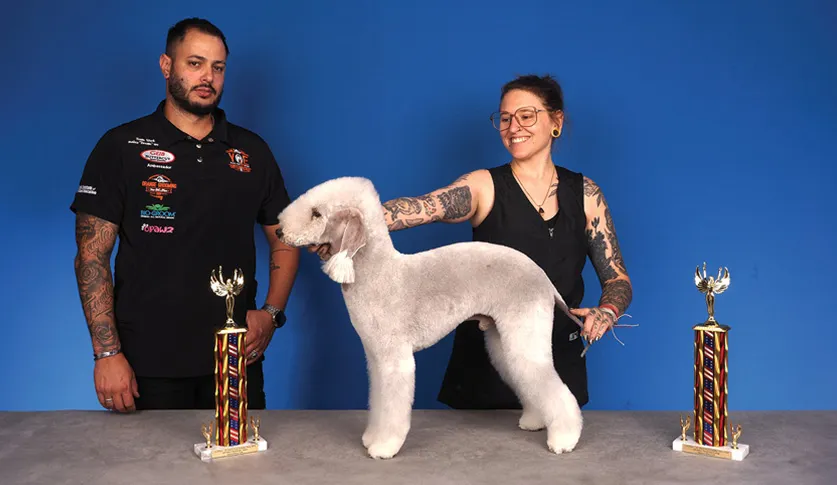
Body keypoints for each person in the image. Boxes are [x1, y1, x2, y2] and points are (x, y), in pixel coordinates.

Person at [312, 74, 632, 410]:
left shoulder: (587, 194)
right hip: (482, 378)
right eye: (505, 118)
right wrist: (341, 225)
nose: (513, 127)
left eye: (526, 115)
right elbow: (421, 208)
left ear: (556, 121)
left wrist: (607, 310)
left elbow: (617, 280)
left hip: (559, 364)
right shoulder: (483, 186)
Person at [70, 18, 300, 413]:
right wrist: (106, 353)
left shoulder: (251, 152)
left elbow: (287, 239)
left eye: (218, 67)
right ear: (166, 66)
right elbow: (91, 256)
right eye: (195, 63)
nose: (207, 77)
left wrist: (270, 314)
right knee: (153, 474)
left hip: (235, 359)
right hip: (146, 365)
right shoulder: (121, 146)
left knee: (243, 473)